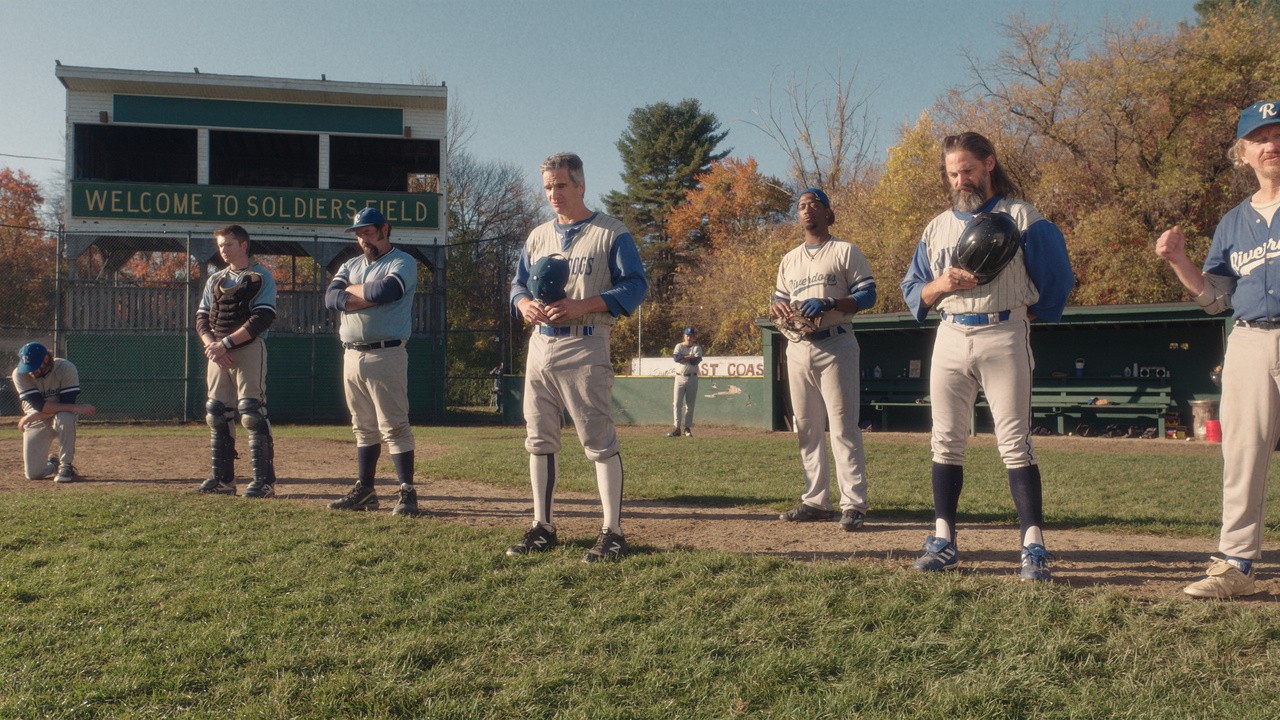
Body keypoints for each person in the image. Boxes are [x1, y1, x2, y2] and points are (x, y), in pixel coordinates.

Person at [900, 131, 1074, 581]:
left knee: (1014, 443)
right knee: (945, 439)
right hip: (951, 333)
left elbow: (1057, 279)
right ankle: (943, 540)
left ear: (989, 164)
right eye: (953, 173)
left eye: (969, 170)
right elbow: (913, 290)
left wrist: (1023, 315)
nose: (961, 180)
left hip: (1003, 332)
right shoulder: (937, 227)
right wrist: (941, 286)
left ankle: (1032, 546)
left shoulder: (1022, 216)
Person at [1155, 100, 1280, 599]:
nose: (1273, 145)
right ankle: (1237, 566)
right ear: (1243, 153)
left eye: (1279, 134)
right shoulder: (1233, 222)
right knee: (1242, 454)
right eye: (1261, 138)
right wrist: (1181, 261)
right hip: (1249, 338)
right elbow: (1214, 299)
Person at [506, 152, 648, 562]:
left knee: (598, 441)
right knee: (538, 439)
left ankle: (613, 532)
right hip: (541, 345)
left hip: (586, 341)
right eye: (549, 186)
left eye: (562, 185)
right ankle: (542, 526)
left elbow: (636, 286)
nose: (554, 193)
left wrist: (583, 305)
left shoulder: (610, 232)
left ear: (581, 186)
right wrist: (523, 304)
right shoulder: (537, 236)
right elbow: (517, 283)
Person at [769, 188, 877, 532]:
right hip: (798, 346)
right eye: (801, 206)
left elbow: (868, 294)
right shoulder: (789, 259)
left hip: (836, 344)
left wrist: (831, 303)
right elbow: (778, 300)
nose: (806, 210)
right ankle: (816, 501)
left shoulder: (845, 251)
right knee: (807, 427)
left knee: (844, 426)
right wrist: (778, 308)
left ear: (828, 213)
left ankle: (854, 503)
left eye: (814, 204)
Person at [324, 207, 420, 516]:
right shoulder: (350, 263)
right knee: (362, 426)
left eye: (368, 231)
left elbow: (387, 290)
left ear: (384, 229)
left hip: (386, 352)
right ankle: (365, 490)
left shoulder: (402, 261)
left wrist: (352, 293)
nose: (363, 238)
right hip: (351, 353)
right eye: (359, 233)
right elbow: (331, 298)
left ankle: (407, 493)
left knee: (394, 425)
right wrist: (365, 296)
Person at [194, 224, 278, 498]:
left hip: (248, 349)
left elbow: (262, 318)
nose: (223, 250)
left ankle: (263, 482)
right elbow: (202, 319)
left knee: (252, 412)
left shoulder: (260, 277)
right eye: (220, 245)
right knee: (217, 412)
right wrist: (213, 347)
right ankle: (222, 479)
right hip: (217, 354)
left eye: (228, 244)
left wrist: (225, 344)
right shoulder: (215, 279)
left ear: (243, 245)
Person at [12, 342, 95, 482]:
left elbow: (66, 404)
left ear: (46, 359)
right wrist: (78, 408)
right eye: (28, 366)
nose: (31, 371)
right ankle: (53, 464)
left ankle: (66, 466)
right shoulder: (20, 374)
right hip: (37, 419)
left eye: (35, 365)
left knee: (65, 416)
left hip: (51, 416)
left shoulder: (65, 368)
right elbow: (41, 406)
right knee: (33, 475)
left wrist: (33, 415)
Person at [667, 326, 702, 437]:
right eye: (687, 335)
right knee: (677, 403)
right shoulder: (679, 346)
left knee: (690, 404)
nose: (689, 337)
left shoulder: (697, 347)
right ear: (684, 336)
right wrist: (688, 357)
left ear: (694, 336)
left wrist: (685, 357)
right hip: (679, 377)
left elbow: (696, 360)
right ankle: (677, 428)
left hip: (692, 377)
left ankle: (687, 428)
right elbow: (676, 358)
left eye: (691, 335)